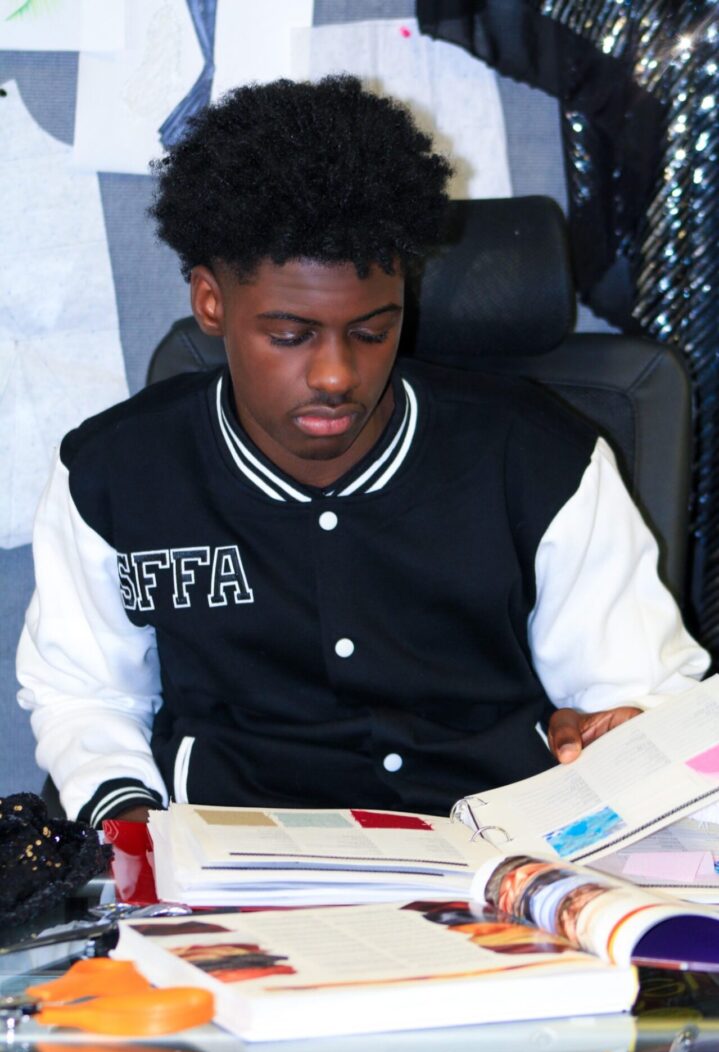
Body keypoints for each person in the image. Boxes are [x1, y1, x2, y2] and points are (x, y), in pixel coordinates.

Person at [16, 76, 709, 827]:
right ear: (211, 302)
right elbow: (85, 694)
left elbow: (642, 691)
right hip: (236, 859)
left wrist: (618, 731)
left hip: (495, 846)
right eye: (289, 336)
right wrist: (134, 829)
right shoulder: (116, 473)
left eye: (373, 331)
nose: (336, 376)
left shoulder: (541, 456)